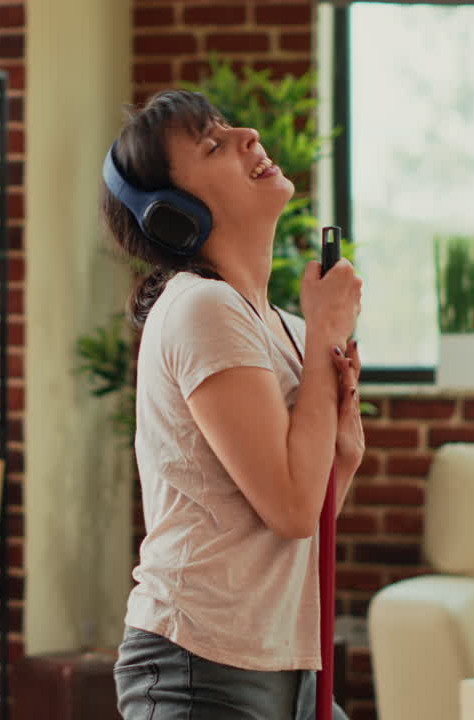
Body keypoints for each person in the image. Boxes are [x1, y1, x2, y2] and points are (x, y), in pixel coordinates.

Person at [103, 89, 364, 720]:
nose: (249, 135)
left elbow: (299, 523)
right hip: (200, 666)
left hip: (284, 664)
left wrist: (345, 448)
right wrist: (326, 336)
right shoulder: (201, 307)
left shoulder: (285, 328)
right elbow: (292, 511)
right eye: (213, 144)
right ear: (173, 215)